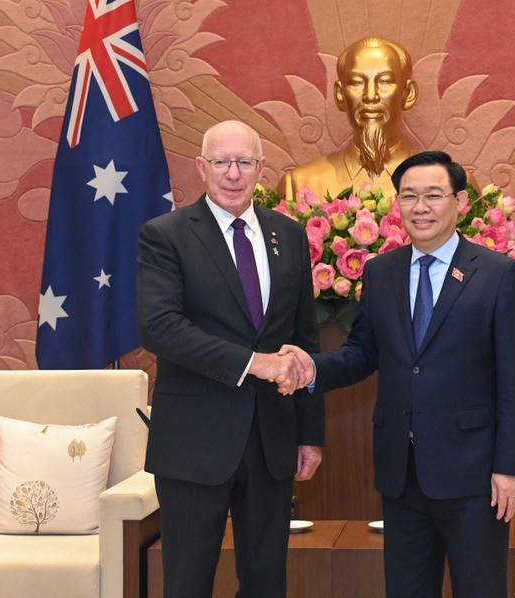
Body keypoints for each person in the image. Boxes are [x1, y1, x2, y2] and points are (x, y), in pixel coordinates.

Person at [282, 150, 515, 597]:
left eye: (433, 195)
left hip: (475, 475)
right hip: (403, 471)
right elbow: (362, 352)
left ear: (459, 201)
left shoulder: (497, 275)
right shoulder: (381, 272)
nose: (421, 207)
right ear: (397, 204)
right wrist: (309, 369)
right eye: (409, 196)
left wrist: (510, 468)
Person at [137, 120, 325, 598]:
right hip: (193, 442)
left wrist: (310, 433)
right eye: (222, 162)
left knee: (266, 581)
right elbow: (161, 328)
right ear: (202, 167)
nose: (233, 173)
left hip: (271, 438)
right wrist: (254, 362)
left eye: (244, 162)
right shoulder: (166, 235)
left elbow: (305, 340)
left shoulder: (290, 235)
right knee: (187, 581)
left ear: (261, 168)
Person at [278, 36, 419, 200]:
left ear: (408, 94)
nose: (370, 96)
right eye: (357, 82)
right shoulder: (298, 184)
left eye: (385, 81)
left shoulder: (445, 184)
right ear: (340, 94)